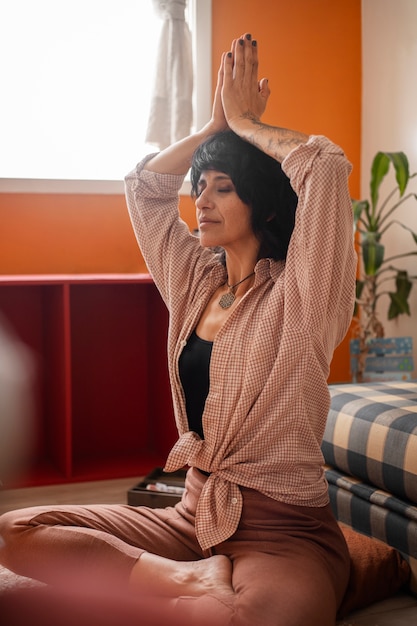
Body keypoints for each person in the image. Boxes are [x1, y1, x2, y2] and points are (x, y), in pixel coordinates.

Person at [0, 34, 357, 625]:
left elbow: (324, 166)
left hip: (283, 533)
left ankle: (335, 571)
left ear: (265, 206)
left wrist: (244, 125)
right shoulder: (194, 277)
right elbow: (144, 189)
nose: (201, 201)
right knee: (19, 529)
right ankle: (183, 580)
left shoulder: (303, 294)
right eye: (201, 186)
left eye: (223, 187)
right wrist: (213, 127)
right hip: (191, 515)